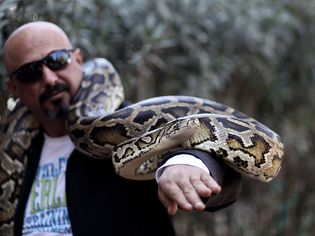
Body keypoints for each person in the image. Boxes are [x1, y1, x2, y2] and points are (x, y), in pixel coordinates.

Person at [1, 21, 242, 236]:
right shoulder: (16, 152)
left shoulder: (136, 121)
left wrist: (189, 163)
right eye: (30, 72)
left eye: (57, 60)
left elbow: (220, 166)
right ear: (14, 87)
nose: (50, 78)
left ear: (78, 60)